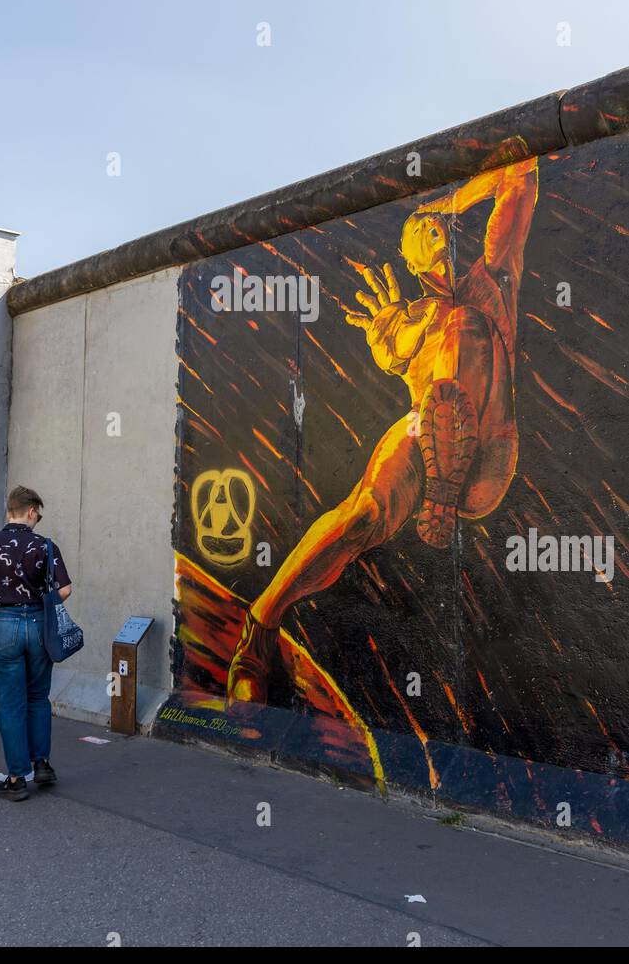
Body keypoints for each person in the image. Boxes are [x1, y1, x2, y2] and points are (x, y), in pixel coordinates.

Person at [226, 151, 539, 709]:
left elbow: (521, 174)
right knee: (363, 514)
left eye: (448, 241)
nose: (446, 256)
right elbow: (389, 342)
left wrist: (445, 201)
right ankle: (260, 628)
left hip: (486, 451)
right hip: (427, 446)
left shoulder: (491, 284)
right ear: (418, 264)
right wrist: (389, 329)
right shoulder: (412, 318)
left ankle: (447, 464)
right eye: (434, 249)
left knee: (464, 329)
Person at [0, 485, 72, 801]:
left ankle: (17, 779)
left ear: (10, 510)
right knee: (37, 697)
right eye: (39, 514)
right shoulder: (45, 546)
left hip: (4, 625)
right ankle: (43, 764)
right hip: (38, 625)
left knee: (9, 704)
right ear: (32, 511)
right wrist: (40, 605)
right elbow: (65, 590)